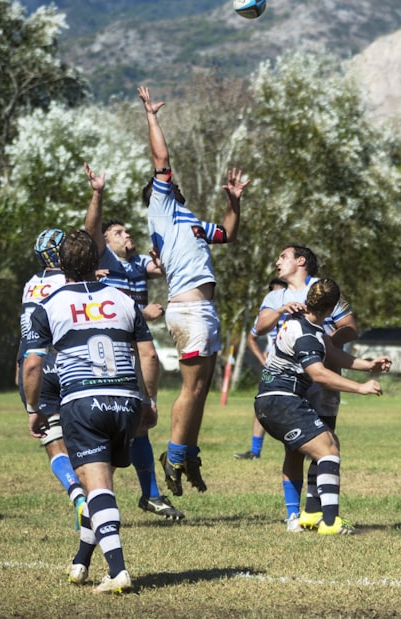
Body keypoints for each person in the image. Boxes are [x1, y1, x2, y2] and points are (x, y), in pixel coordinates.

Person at [22, 229, 159, 593]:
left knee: (96, 487)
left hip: (84, 402)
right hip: (126, 401)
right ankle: (82, 561)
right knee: (100, 487)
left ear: (61, 267)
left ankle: (118, 571)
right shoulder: (125, 299)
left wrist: (33, 408)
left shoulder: (48, 304)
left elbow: (33, 365)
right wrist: (149, 401)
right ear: (98, 263)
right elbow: (148, 354)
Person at [138, 85, 249, 497]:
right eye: (164, 183)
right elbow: (162, 159)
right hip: (188, 311)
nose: (170, 182)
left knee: (201, 389)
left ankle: (188, 451)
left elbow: (229, 234)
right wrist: (152, 115)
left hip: (206, 312)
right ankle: (174, 454)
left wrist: (234, 202)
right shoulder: (161, 208)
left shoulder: (190, 220)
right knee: (191, 388)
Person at [84, 163, 184, 521]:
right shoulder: (104, 258)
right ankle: (91, 497)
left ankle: (150, 495)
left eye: (127, 231)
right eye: (119, 232)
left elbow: (174, 264)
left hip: (134, 348)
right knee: (114, 421)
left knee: (139, 420)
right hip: (109, 351)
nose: (126, 234)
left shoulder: (138, 262)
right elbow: (90, 228)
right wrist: (98, 192)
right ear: (106, 242)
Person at [253, 278, 391, 535]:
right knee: (328, 450)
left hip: (273, 400)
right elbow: (318, 373)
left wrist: (368, 365)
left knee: (326, 443)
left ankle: (310, 514)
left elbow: (332, 353)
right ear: (331, 308)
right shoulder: (308, 334)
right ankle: (329, 522)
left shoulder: (305, 323)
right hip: (282, 401)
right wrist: (360, 387)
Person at [246, 247, 358, 532]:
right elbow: (259, 328)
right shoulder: (276, 296)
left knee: (325, 441)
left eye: (282, 257)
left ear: (301, 261)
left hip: (322, 379)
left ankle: (315, 509)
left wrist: (325, 341)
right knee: (295, 448)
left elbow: (349, 327)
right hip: (291, 382)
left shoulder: (324, 289)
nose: (277, 261)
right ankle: (295, 515)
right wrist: (282, 311)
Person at [17, 228, 87, 528]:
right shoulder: (70, 281)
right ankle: (95, 498)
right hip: (68, 365)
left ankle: (79, 499)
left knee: (54, 444)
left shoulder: (30, 284)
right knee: (84, 442)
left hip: (34, 370)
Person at [234, 277, 288, 460]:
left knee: (300, 405)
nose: (275, 295)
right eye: (272, 291)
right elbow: (251, 338)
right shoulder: (266, 314)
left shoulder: (296, 310)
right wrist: (262, 360)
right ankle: (255, 451)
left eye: (279, 291)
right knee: (262, 405)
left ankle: (304, 448)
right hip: (272, 367)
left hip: (294, 366)